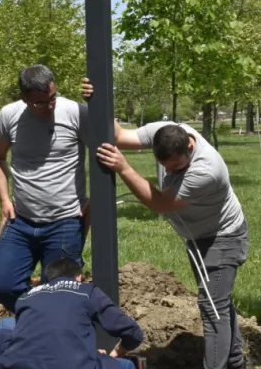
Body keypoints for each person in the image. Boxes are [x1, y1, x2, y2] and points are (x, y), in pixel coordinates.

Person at [94, 117, 248, 369]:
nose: (169, 172)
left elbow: (160, 204)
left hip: (222, 238)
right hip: (200, 236)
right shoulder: (165, 133)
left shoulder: (207, 170)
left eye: (176, 167)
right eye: (164, 166)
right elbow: (120, 136)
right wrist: (95, 101)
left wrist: (124, 168)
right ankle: (234, 362)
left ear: (190, 147)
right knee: (217, 302)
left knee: (212, 307)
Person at [0, 65, 90, 312]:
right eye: (40, 103)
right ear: (24, 98)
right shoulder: (9, 115)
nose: (50, 106)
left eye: (53, 98)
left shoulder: (76, 113)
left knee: (59, 293)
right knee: (2, 285)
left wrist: (93, 201)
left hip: (65, 221)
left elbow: (107, 149)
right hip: (21, 221)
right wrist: (4, 200)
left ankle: (46, 325)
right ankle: (34, 319)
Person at [0, 257, 144, 369]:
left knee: (4, 325)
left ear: (48, 278)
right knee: (127, 365)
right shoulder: (86, 292)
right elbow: (133, 333)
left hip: (19, 365)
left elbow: (34, 335)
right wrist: (117, 352)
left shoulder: (26, 297)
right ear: (79, 277)